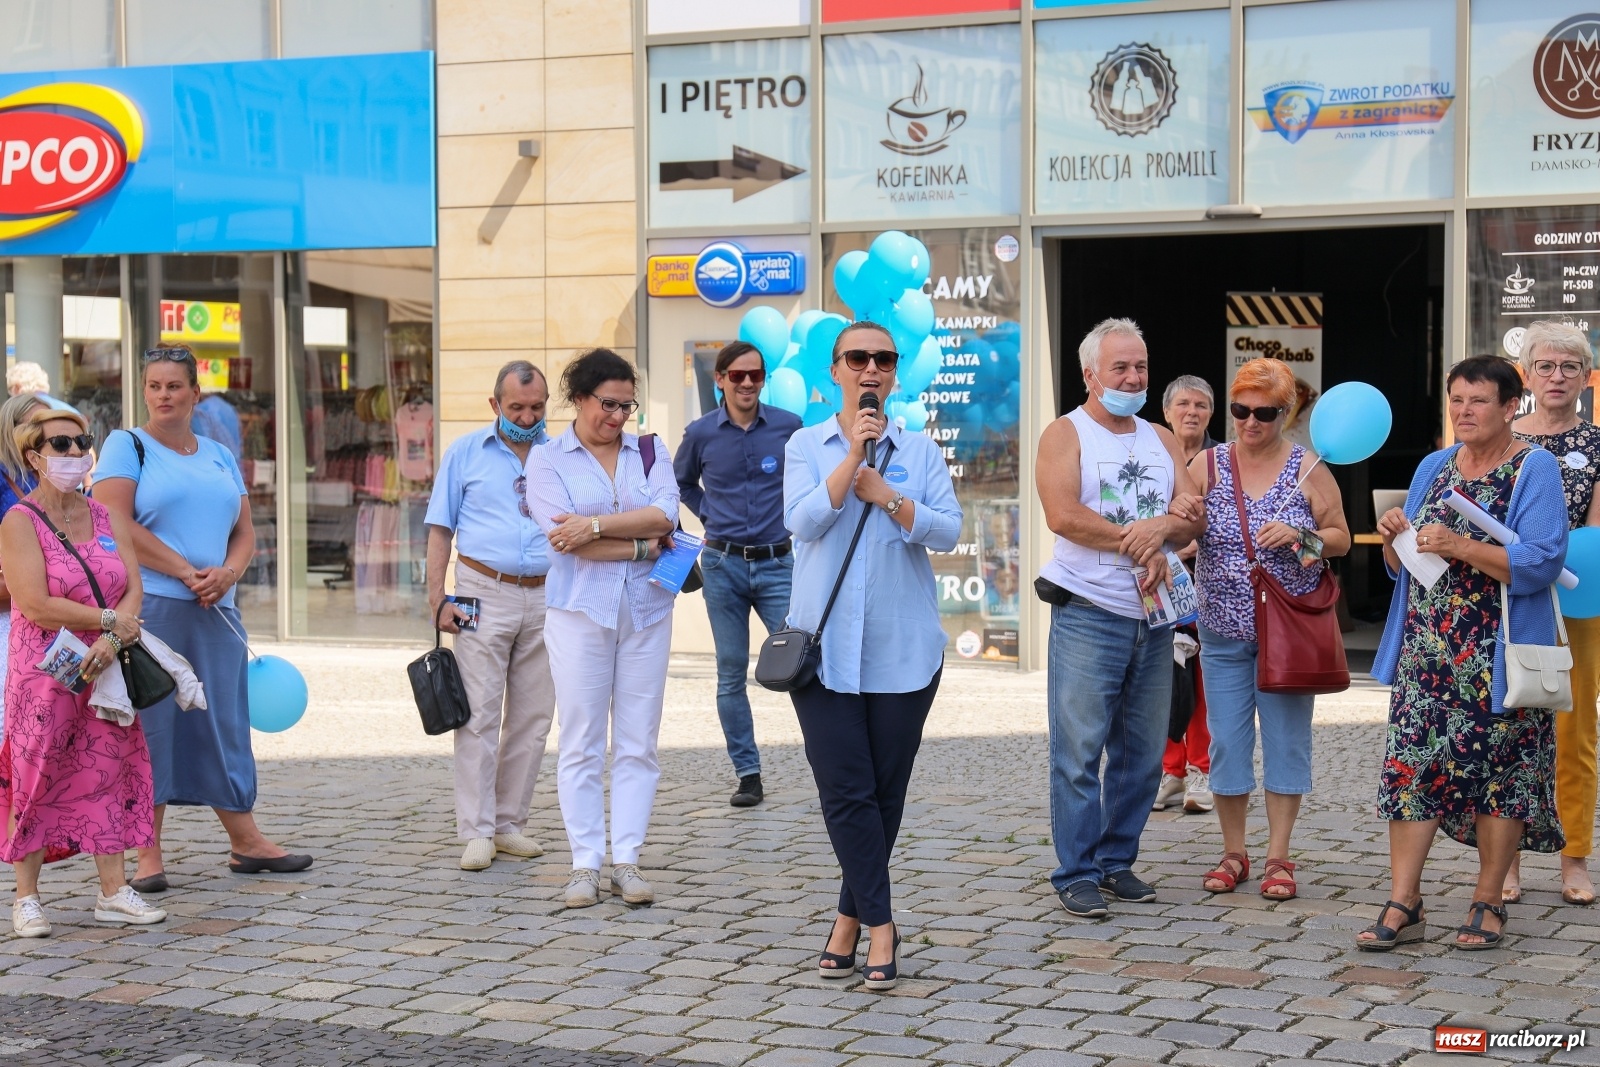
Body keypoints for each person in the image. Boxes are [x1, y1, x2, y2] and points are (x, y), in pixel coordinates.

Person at [1361, 355, 1567, 950]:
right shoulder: (1434, 465)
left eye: (1478, 401)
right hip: (1428, 653)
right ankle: (1405, 900)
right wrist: (1396, 537)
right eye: (1456, 400)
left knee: (1501, 775)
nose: (1464, 412)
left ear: (1510, 407)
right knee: (1411, 770)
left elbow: (1541, 560)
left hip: (1496, 654)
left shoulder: (1535, 468)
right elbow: (1402, 568)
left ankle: (1487, 898)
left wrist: (1459, 545)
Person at [93, 344, 311, 893]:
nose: (163, 395)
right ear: (144, 391)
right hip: (154, 608)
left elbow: (244, 531)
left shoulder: (216, 452)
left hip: (218, 609)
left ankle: (246, 841)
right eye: (153, 385)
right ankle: (149, 854)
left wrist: (229, 574)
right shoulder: (128, 445)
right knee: (154, 725)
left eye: (174, 386)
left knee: (224, 723)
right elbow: (112, 520)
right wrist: (187, 571)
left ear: (195, 393)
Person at [786, 321, 961, 991]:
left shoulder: (919, 449)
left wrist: (888, 495)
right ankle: (882, 925)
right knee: (845, 791)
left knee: (883, 795)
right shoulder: (805, 445)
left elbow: (948, 530)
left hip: (903, 649)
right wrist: (849, 463)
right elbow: (799, 521)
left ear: (895, 374)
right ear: (836, 370)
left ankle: (845, 919)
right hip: (821, 651)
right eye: (857, 358)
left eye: (883, 359)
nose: (870, 369)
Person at [1035, 318, 1205, 918]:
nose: (1133, 377)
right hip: (1089, 610)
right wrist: (1140, 539)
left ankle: (1116, 862)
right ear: (1090, 375)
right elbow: (1062, 514)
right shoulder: (1065, 434)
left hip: (1155, 616)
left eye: (1140, 367)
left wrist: (1164, 529)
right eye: (1121, 368)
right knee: (1078, 752)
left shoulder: (1160, 437)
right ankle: (1076, 871)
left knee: (1140, 751)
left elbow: (1192, 517)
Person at [524, 349, 679, 909]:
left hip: (647, 610)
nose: (616, 416)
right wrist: (638, 544)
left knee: (639, 740)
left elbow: (666, 515)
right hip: (579, 614)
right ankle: (585, 862)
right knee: (582, 740)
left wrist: (595, 526)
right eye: (607, 404)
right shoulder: (546, 461)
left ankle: (628, 859)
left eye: (625, 405)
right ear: (579, 398)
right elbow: (564, 539)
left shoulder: (650, 449)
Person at [1, 406, 165, 935]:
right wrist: (109, 621)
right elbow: (34, 602)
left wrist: (114, 635)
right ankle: (26, 898)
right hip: (48, 671)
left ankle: (114, 891)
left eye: (82, 442)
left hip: (107, 663)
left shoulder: (104, 514)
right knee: (38, 772)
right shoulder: (20, 521)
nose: (76, 453)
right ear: (36, 456)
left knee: (111, 770)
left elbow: (133, 587)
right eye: (62, 445)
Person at [1192, 358, 1350, 900]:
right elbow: (1184, 523)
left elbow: (1341, 538)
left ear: (1287, 414)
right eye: (1240, 410)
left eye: (1263, 412)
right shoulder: (1207, 465)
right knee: (1227, 745)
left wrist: (1301, 538)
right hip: (1221, 629)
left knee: (1287, 743)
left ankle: (1279, 856)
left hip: (1287, 631)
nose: (1250, 422)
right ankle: (1234, 851)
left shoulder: (1308, 467)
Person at [424, 360, 557, 871]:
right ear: (494, 404)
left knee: (534, 716)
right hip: (482, 591)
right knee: (479, 712)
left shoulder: (561, 453)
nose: (527, 416)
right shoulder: (465, 454)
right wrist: (437, 598)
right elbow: (440, 528)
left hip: (547, 595)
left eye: (537, 407)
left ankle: (509, 824)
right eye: (517, 407)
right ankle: (477, 829)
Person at [674, 341, 802, 808]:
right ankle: (747, 774)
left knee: (802, 667)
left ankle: (830, 764)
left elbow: (810, 480)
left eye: (755, 375)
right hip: (723, 566)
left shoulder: (790, 428)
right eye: (737, 375)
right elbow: (680, 482)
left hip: (778, 564)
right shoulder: (702, 433)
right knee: (730, 673)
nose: (747, 382)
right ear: (721, 380)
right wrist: (710, 513)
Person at [1508, 321, 1600, 906]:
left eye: (1570, 367)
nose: (1557, 376)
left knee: (1576, 729)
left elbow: (1595, 527)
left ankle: (1575, 857)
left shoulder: (1597, 444)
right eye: (1546, 366)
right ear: (1527, 375)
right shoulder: (1505, 436)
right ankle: (1505, 860)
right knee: (1512, 726)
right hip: (1512, 595)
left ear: (1587, 378)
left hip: (1580, 599)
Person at [1155, 374, 1217, 814]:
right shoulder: (1150, 455)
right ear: (1166, 412)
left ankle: (1202, 771)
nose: (1191, 412)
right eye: (1183, 404)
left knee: (1201, 682)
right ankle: (1169, 771)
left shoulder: (1222, 462)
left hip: (1207, 587)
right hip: (1157, 584)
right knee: (1160, 681)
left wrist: (1187, 543)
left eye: (1200, 405)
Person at [0, 392, 46, 743]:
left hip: (51, 612)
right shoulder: (5, 478)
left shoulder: (51, 477)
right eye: (32, 424)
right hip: (7, 614)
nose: (41, 432)